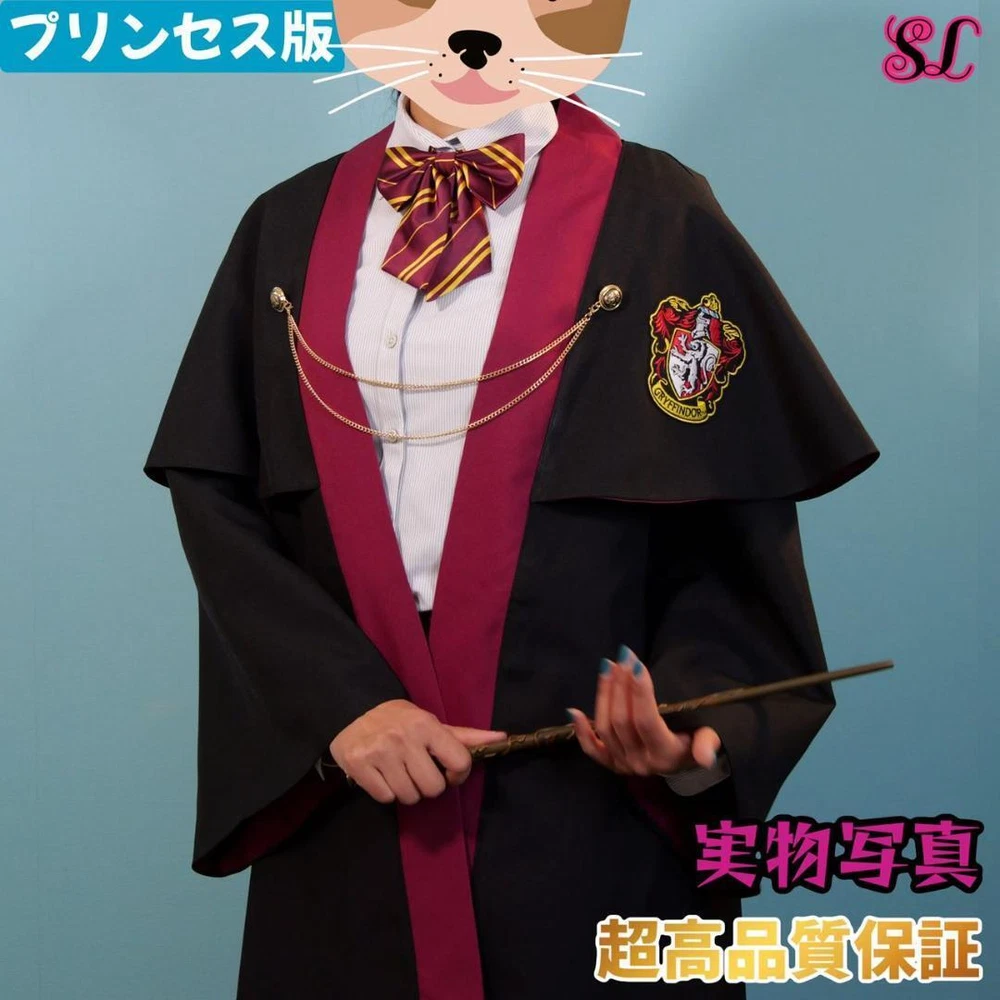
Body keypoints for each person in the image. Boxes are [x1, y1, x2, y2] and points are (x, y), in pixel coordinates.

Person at [143, 13, 878, 996]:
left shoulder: (660, 215)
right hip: (355, 776)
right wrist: (343, 703)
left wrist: (692, 737)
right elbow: (220, 495)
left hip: (590, 791)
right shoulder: (286, 224)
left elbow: (728, 534)